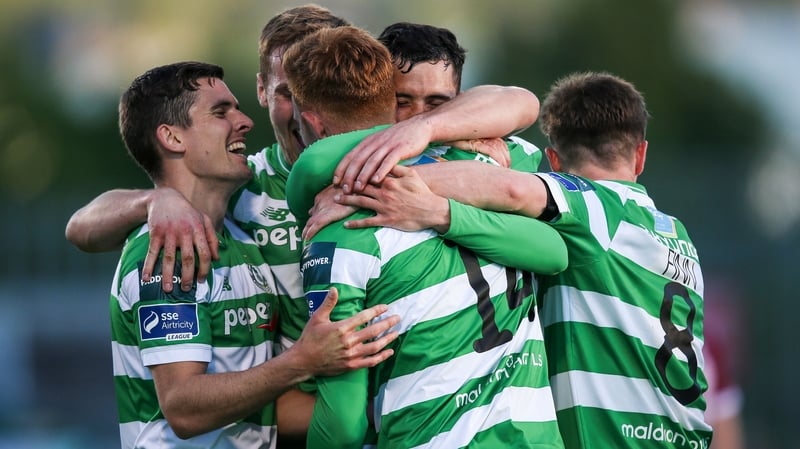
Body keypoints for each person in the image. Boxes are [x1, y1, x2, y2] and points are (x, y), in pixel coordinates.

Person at [329, 71, 714, 448]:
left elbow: (513, 190)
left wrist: (367, 185)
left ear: (554, 161)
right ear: (641, 154)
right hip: (687, 433)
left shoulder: (593, 205)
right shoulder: (678, 235)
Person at [282, 25, 567, 449]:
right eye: (403, 102)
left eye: (436, 105)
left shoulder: (342, 220)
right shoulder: (507, 160)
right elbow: (553, 250)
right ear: (380, 97)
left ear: (459, 103)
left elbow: (522, 102)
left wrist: (431, 206)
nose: (417, 119)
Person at [106, 61, 399, 448]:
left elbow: (259, 411)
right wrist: (303, 361)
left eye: (238, 108)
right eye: (220, 112)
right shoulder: (167, 249)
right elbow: (183, 407)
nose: (244, 121)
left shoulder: (243, 244)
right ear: (172, 138)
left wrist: (404, 407)